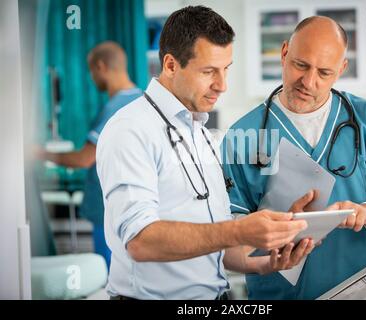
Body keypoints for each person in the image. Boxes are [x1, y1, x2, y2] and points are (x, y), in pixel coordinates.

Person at [96, 6, 316, 300]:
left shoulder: (199, 131)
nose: (222, 85)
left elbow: (213, 248)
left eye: (226, 69)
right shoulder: (130, 129)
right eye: (209, 71)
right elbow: (140, 241)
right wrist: (238, 231)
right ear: (171, 65)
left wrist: (265, 261)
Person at [221, 16, 366, 300]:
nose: (309, 81)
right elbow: (229, 235)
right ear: (284, 53)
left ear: (341, 69)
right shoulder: (242, 134)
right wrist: (275, 231)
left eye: (324, 72)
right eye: (300, 65)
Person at [37, 41, 142, 268]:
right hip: (131, 211)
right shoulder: (141, 100)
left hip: (110, 214)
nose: (92, 78)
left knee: (110, 275)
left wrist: (39, 153)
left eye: (91, 71)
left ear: (101, 67)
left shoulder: (115, 108)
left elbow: (84, 158)